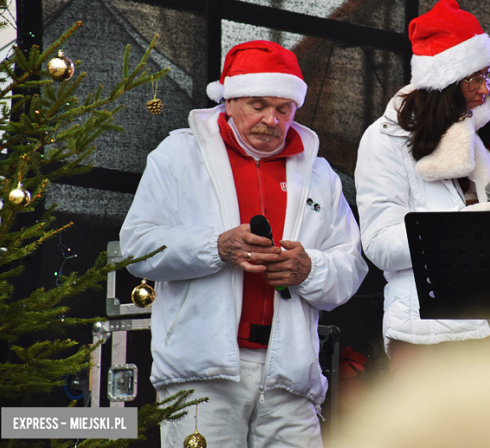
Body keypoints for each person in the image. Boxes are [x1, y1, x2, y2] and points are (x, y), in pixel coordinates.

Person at [120, 40, 368, 448]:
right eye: (258, 105)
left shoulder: (321, 174)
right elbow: (136, 247)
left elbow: (352, 266)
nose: (272, 119)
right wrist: (216, 247)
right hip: (202, 372)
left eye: (283, 109)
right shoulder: (179, 154)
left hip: (291, 375)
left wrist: (311, 270)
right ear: (229, 100)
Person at [355, 0, 490, 371]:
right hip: (431, 341)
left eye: (488, 74)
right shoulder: (386, 139)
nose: (484, 89)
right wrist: (464, 231)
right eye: (473, 77)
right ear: (442, 82)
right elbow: (379, 245)